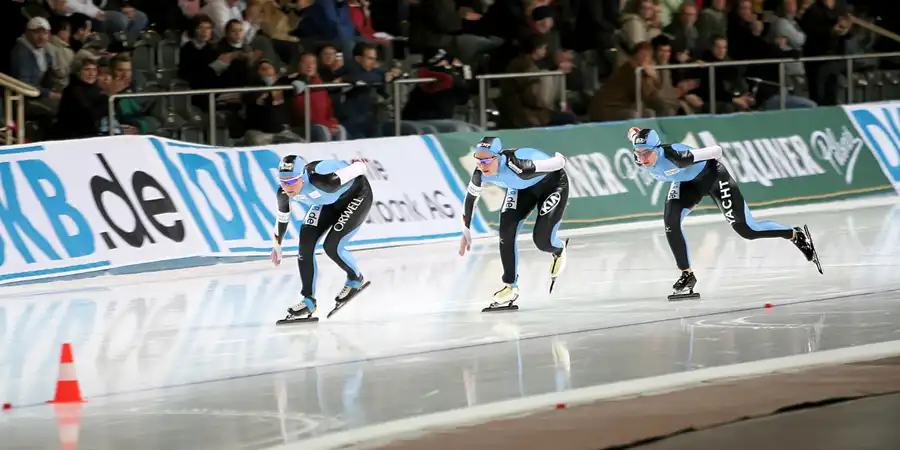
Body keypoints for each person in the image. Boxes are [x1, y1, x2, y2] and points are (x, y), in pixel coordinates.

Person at [626, 127, 822, 301]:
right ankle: (687, 274)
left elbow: (717, 151)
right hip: (686, 184)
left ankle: (794, 234)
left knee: (747, 230)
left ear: (658, 149)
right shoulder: (641, 153)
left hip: (712, 177)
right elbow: (636, 136)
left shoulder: (677, 156)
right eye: (638, 154)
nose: (642, 159)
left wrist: (694, 158)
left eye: (647, 154)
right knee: (671, 224)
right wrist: (634, 134)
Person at [459, 136, 570, 311]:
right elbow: (470, 199)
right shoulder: (479, 173)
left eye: (486, 160)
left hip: (552, 184)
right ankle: (510, 286)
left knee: (542, 241)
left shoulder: (520, 167)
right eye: (478, 160)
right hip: (521, 189)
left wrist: (559, 157)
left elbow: (559, 163)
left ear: (498, 156)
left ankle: (558, 249)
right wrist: (465, 230)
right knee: (506, 234)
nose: (482, 165)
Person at [271, 154, 373, 323]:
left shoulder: (326, 181)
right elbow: (282, 217)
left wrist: (358, 164)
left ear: (303, 176)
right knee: (305, 247)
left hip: (357, 196)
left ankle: (355, 279)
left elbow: (360, 168)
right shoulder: (283, 192)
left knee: (332, 246)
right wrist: (277, 245)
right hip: (326, 203)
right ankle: (308, 300)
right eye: (283, 181)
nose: (287, 186)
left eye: (291, 181)